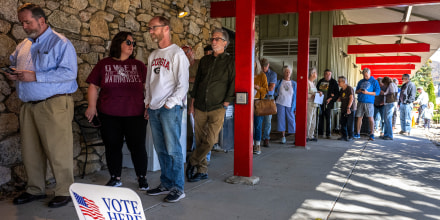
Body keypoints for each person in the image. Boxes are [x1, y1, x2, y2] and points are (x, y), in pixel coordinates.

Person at [1, 3, 77, 208]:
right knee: (30, 151)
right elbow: (16, 65)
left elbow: (70, 73)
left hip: (54, 104)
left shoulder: (60, 43)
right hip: (28, 105)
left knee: (58, 150)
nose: (24, 26)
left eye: (27, 22)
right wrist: (13, 72)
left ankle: (64, 190)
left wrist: (35, 76)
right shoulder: (23, 45)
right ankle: (35, 189)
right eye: (22, 22)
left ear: (41, 21)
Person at [85, 32, 149, 190]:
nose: (131, 46)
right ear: (118, 43)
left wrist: (149, 106)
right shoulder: (104, 64)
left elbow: (149, 88)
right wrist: (91, 106)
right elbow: (93, 85)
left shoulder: (139, 66)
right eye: (128, 42)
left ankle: (142, 177)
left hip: (135, 114)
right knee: (112, 146)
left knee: (138, 146)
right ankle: (115, 177)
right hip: (109, 115)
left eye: (133, 43)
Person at [144, 16, 189, 203]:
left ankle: (178, 188)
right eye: (150, 28)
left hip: (169, 109)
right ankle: (166, 183)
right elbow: (149, 82)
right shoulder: (153, 55)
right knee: (160, 149)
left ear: (166, 29)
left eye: (153, 28)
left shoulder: (177, 54)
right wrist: (147, 102)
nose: (151, 31)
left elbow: (183, 84)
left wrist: (170, 103)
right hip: (154, 108)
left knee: (173, 149)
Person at [186, 29, 235, 182]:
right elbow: (198, 83)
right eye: (212, 39)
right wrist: (192, 103)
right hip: (200, 105)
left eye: (217, 39)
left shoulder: (230, 61)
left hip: (218, 107)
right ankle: (202, 171)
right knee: (199, 139)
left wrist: (226, 102)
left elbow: (232, 82)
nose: (213, 41)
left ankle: (191, 162)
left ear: (225, 43)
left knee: (210, 140)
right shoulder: (204, 61)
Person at [353, 68, 380, 141]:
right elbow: (356, 91)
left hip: (369, 102)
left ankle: (372, 133)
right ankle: (358, 133)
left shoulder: (374, 81)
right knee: (359, 117)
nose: (365, 77)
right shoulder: (361, 81)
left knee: (370, 117)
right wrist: (359, 91)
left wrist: (367, 93)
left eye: (366, 76)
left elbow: (377, 92)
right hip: (361, 101)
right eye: (364, 75)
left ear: (370, 74)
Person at [274, 66, 297, 144]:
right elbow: (273, 89)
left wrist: (295, 108)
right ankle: (283, 136)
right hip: (280, 103)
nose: (287, 74)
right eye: (286, 72)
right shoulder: (279, 82)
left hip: (290, 104)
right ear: (283, 73)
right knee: (281, 120)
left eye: (289, 72)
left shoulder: (294, 83)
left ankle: (294, 136)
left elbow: (296, 96)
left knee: (292, 120)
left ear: (290, 73)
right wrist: (276, 94)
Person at [316, 69, 339, 138]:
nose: (327, 75)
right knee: (320, 117)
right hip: (320, 103)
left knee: (328, 118)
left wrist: (331, 98)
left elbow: (337, 93)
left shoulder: (334, 82)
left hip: (329, 103)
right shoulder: (321, 81)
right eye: (326, 74)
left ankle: (328, 134)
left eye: (329, 74)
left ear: (331, 75)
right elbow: (317, 90)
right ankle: (320, 133)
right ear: (324, 74)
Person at [260, 58, 278, 147]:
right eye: (262, 66)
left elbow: (271, 88)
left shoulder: (273, 74)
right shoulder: (258, 73)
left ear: (268, 65)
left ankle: (266, 138)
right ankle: (257, 139)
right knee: (258, 120)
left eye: (265, 66)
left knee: (268, 120)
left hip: (268, 98)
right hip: (259, 98)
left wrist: (260, 88)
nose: (264, 68)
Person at [253, 60, 269, 154]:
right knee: (248, 125)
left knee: (258, 124)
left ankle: (257, 145)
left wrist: (258, 87)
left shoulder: (262, 75)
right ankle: (250, 144)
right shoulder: (247, 74)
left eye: (254, 63)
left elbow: (266, 90)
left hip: (258, 102)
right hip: (248, 102)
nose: (252, 64)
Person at [337, 76, 356, 141]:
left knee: (349, 123)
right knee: (343, 123)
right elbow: (340, 98)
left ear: (344, 82)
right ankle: (344, 136)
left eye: (339, 81)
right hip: (343, 108)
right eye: (338, 81)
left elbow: (351, 98)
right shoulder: (341, 90)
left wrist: (348, 107)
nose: (338, 83)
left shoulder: (349, 88)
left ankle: (351, 136)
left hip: (350, 108)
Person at [307, 67, 321, 142]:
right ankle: (306, 136)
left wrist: (318, 93)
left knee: (313, 121)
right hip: (309, 104)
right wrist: (312, 95)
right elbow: (305, 94)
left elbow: (313, 93)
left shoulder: (313, 83)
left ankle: (311, 135)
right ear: (312, 74)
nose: (316, 74)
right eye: (315, 72)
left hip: (314, 104)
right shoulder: (307, 82)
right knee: (308, 120)